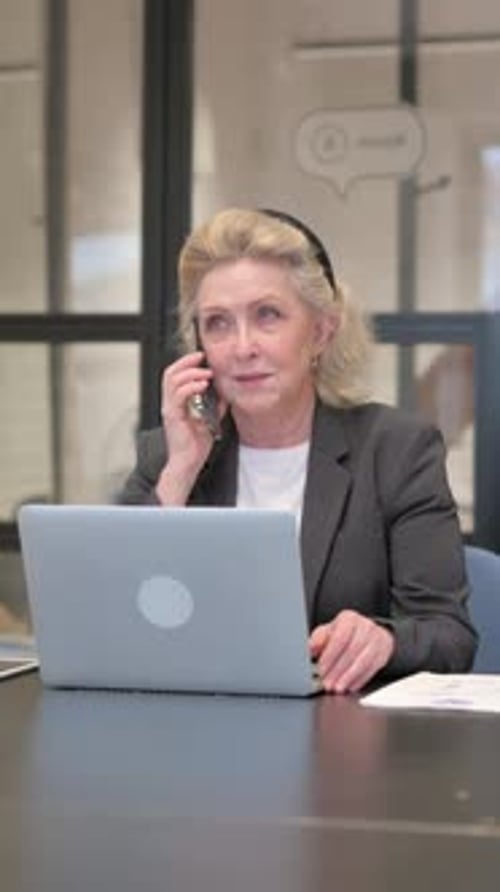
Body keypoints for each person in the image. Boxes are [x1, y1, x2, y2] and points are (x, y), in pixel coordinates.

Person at [118, 207, 477, 692]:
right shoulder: (169, 456)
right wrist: (181, 470)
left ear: (321, 332)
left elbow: (448, 635)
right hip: (195, 732)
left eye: (267, 315)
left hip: (342, 744)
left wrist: (386, 640)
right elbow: (116, 621)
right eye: (218, 323)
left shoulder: (395, 451)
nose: (242, 346)